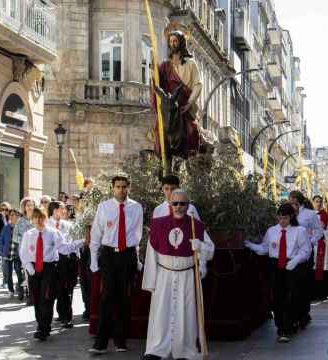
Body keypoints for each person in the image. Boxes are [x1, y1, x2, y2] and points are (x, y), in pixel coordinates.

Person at [142, 189, 214, 360]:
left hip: (186, 277)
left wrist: (201, 247)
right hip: (164, 276)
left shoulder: (196, 225)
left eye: (183, 203)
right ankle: (156, 349)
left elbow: (210, 251)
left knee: (186, 313)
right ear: (170, 204)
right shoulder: (158, 224)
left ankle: (183, 350)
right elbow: (151, 254)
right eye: (175, 203)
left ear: (188, 205)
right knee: (161, 313)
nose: (179, 207)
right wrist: (150, 281)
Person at [89, 175, 143, 354]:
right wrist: (93, 260)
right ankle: (100, 343)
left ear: (129, 187)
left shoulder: (136, 208)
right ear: (112, 188)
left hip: (127, 256)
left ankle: (121, 341)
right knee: (107, 297)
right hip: (109, 255)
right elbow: (96, 233)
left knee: (123, 299)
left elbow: (137, 235)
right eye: (118, 187)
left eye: (124, 186)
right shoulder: (104, 207)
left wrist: (137, 258)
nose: (121, 190)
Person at [245, 203, 310, 343]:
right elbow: (265, 248)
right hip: (275, 266)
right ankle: (281, 327)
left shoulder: (299, 231)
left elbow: (306, 250)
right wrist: (252, 246)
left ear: (291, 217)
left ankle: (289, 325)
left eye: (285, 218)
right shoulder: (272, 231)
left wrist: (296, 260)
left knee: (290, 296)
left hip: (292, 266)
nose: (282, 221)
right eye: (280, 218)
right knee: (277, 297)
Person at [19, 208, 83, 341]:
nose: (39, 220)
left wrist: (80, 242)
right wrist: (30, 269)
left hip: (49, 269)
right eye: (36, 218)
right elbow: (23, 253)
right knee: (37, 299)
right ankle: (41, 325)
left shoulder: (53, 233)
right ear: (32, 220)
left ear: (45, 219)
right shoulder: (28, 234)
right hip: (34, 269)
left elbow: (64, 248)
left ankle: (43, 328)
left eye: (41, 218)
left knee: (47, 298)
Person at [153, 30, 202, 158]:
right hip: (170, 108)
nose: (173, 44)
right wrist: (153, 72)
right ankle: (160, 155)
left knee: (192, 130)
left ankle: (191, 155)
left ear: (181, 43)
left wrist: (189, 103)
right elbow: (157, 83)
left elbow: (198, 85)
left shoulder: (191, 64)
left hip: (184, 107)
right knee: (159, 129)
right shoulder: (165, 66)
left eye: (175, 41)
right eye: (171, 41)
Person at [288, 190, 323, 328]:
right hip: (291, 252)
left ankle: (304, 314)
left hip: (305, 253)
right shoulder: (288, 213)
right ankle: (294, 314)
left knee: (303, 283)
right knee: (293, 284)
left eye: (292, 200)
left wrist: (311, 241)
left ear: (298, 201)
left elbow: (319, 231)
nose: (290, 203)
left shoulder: (309, 214)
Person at [47, 201, 78, 329]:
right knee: (52, 290)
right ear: (54, 210)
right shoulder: (46, 224)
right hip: (51, 261)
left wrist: (75, 255)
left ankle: (67, 317)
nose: (64, 211)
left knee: (66, 289)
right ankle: (46, 320)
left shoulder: (68, 225)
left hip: (65, 260)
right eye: (62, 208)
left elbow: (73, 240)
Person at [310, 195, 328, 300]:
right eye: (316, 201)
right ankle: (312, 292)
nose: (318, 204)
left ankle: (323, 292)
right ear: (312, 203)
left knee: (323, 268)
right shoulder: (308, 216)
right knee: (311, 268)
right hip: (311, 246)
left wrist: (323, 231)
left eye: (320, 202)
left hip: (323, 246)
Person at [12, 197, 36, 301]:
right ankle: (29, 295)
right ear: (24, 207)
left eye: (31, 205)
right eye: (27, 205)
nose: (30, 207)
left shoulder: (37, 218)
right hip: (24, 250)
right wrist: (24, 238)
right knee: (26, 272)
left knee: (34, 273)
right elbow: (15, 237)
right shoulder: (20, 221)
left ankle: (33, 294)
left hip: (36, 250)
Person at [0, 209, 20, 297]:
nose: (11, 217)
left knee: (19, 271)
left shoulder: (20, 227)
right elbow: (1, 240)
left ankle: (20, 288)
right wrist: (2, 251)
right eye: (10, 215)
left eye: (13, 215)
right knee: (8, 273)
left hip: (17, 254)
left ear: (18, 216)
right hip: (7, 253)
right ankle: (10, 290)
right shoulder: (6, 227)